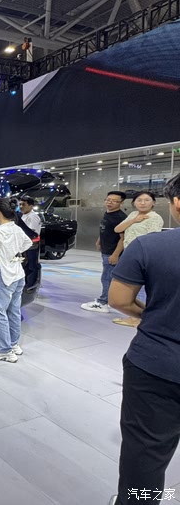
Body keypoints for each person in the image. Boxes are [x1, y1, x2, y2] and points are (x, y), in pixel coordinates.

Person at [107, 173, 180, 505]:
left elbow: (119, 300)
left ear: (175, 203)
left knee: (145, 456)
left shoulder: (152, 245)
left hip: (158, 366)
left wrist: (153, 314)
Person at [0, 198, 34, 363]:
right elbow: (28, 242)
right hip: (18, 274)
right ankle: (13, 344)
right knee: (13, 310)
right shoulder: (16, 228)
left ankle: (3, 350)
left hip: (3, 274)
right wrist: (14, 252)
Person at [112, 191, 164, 327]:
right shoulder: (133, 214)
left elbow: (153, 239)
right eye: (139, 200)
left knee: (139, 287)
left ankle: (137, 318)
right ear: (134, 203)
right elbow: (117, 229)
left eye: (147, 200)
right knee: (131, 286)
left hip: (144, 256)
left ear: (153, 203)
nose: (142, 203)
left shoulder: (155, 218)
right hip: (129, 254)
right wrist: (134, 220)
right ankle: (136, 316)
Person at [81, 191, 127, 314]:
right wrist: (99, 241)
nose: (110, 202)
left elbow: (123, 238)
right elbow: (105, 229)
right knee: (107, 277)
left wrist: (115, 255)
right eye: (108, 199)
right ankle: (108, 300)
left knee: (107, 278)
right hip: (106, 250)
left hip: (112, 252)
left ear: (121, 203)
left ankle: (103, 303)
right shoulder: (108, 213)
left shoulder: (120, 217)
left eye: (114, 201)